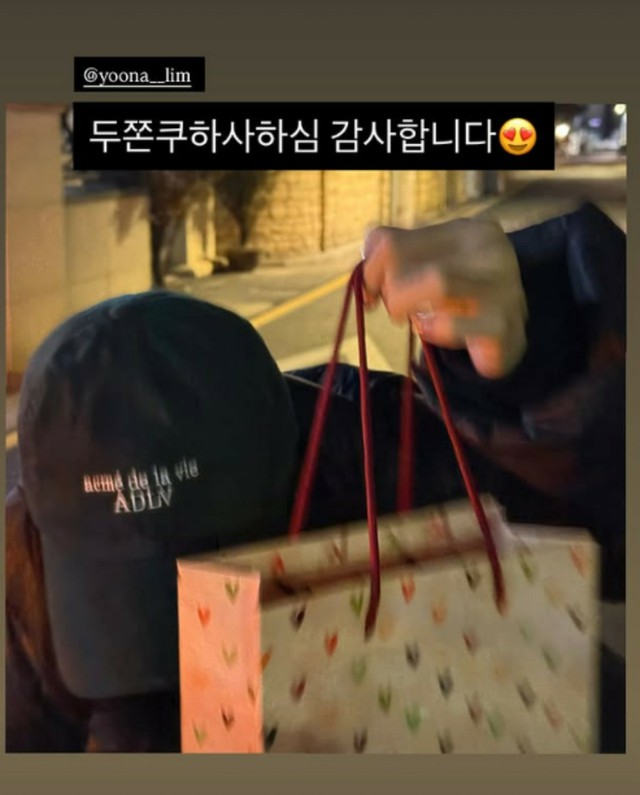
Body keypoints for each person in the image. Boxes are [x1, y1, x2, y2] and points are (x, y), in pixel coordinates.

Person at [5, 202, 625, 753]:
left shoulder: (370, 456)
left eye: (225, 563)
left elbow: (595, 531)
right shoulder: (22, 585)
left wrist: (539, 358)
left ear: (302, 449)